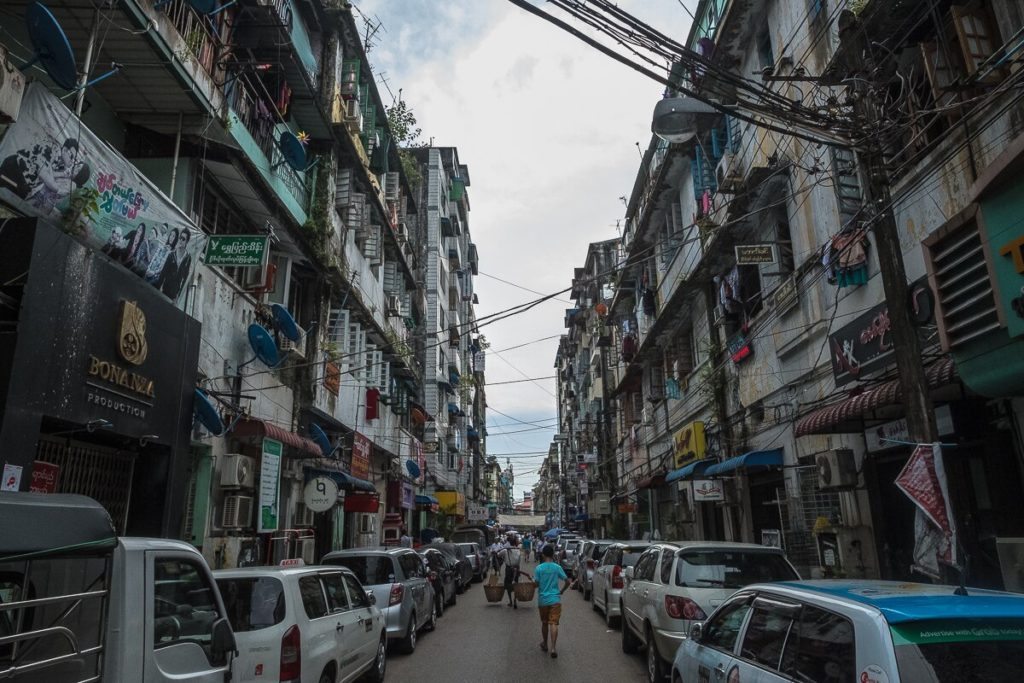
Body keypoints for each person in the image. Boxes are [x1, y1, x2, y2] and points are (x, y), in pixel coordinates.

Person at [534, 544, 575, 658]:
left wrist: (532, 584)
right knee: (554, 623)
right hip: (555, 599)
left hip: (543, 600)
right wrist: (561, 591)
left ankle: (545, 644)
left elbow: (536, 584)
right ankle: (553, 648)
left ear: (543, 555)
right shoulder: (557, 567)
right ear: (552, 555)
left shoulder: (539, 568)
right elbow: (567, 581)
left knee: (544, 622)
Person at [499, 537, 524, 608]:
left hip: (509, 569)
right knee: (516, 584)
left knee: (508, 585)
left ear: (509, 543)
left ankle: (510, 601)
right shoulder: (518, 551)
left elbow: (498, 554)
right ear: (515, 543)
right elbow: (519, 562)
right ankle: (515, 600)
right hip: (516, 569)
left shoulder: (505, 550)